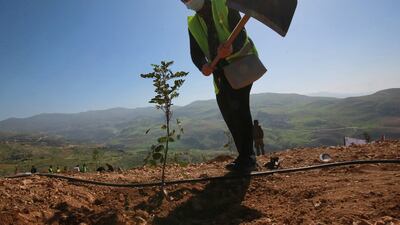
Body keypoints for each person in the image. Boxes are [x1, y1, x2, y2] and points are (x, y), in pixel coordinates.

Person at [182, 0, 258, 172]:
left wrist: (231, 48)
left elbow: (241, 33)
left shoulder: (223, 3)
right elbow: (195, 53)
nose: (187, 2)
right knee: (227, 110)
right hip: (219, 73)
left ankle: (248, 159)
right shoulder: (193, 24)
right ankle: (243, 156)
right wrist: (203, 66)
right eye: (183, 1)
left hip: (240, 64)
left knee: (239, 108)